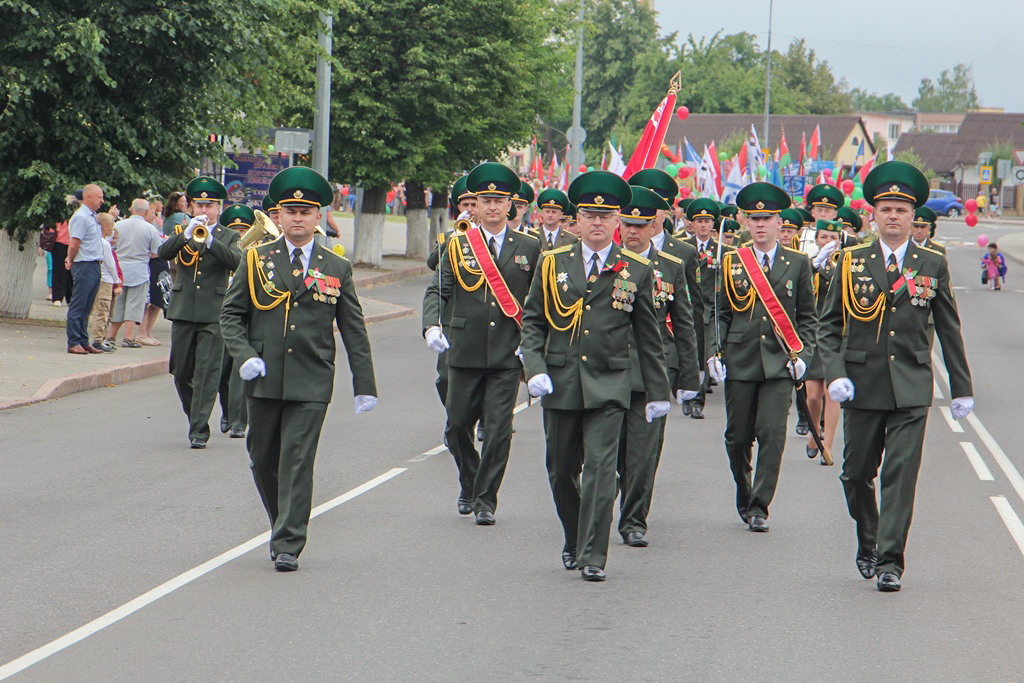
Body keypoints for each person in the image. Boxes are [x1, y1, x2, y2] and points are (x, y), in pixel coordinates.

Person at [819, 160, 973, 592]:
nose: (893, 216)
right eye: (885, 208)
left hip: (910, 388)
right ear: (873, 213)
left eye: (901, 210)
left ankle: (890, 562)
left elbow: (948, 327)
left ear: (913, 218)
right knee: (855, 474)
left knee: (900, 477)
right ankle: (868, 539)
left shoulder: (932, 263)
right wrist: (834, 374)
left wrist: (961, 389)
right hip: (862, 385)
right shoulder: (850, 261)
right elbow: (828, 325)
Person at [221, 166, 377, 572]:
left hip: (312, 379)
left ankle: (289, 540)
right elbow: (231, 316)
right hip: (263, 377)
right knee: (262, 458)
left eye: (305, 211)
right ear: (277, 216)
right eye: (289, 210)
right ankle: (282, 520)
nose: (297, 218)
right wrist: (244, 356)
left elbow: (353, 328)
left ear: (318, 217)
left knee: (297, 459)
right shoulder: (255, 259)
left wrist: (365, 384)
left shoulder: (335, 266)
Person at [521, 171, 670, 581]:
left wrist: (657, 391)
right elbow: (532, 321)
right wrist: (534, 368)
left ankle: (593, 555)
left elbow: (648, 335)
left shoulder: (636, 269)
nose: (598, 222)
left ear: (618, 221)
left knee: (602, 471)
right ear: (578, 219)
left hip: (610, 384)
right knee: (560, 469)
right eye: (589, 214)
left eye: (606, 216)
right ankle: (575, 536)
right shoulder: (552, 263)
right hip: (561, 382)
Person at [422, 163, 541, 522]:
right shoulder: (457, 244)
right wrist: (431, 326)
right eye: (485, 200)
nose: (491, 206)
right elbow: (436, 290)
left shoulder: (530, 247)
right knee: (458, 427)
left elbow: (540, 300)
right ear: (475, 205)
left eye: (499, 200)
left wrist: (534, 344)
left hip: (507, 354)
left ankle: (486, 499)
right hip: (464, 350)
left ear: (511, 205)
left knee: (499, 429)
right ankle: (469, 480)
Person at [710, 182, 816, 532]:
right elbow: (720, 312)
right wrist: (715, 350)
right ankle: (744, 490)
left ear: (779, 222)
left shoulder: (798, 263)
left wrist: (804, 354)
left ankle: (760, 505)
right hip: (740, 360)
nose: (760, 225)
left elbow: (807, 317)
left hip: (779, 362)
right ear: (746, 221)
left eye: (767, 218)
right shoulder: (731, 261)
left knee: (772, 433)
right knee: (737, 437)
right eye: (754, 218)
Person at [616, 185, 699, 547]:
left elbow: (685, 323)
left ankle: (634, 520)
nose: (632, 232)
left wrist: (689, 377)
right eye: (627, 224)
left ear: (654, 227)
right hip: (610, 369)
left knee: (644, 452)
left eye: (641, 225)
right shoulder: (606, 262)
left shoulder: (672, 267)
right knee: (612, 453)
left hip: (653, 372)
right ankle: (607, 503)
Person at [157, 178, 242, 448]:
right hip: (183, 310)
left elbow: (237, 262)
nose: (205, 209)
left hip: (214, 312)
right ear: (191, 207)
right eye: (199, 204)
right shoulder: (183, 229)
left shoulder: (230, 235)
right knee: (180, 371)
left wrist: (211, 242)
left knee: (207, 372)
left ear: (219, 207)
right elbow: (162, 252)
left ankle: (199, 431)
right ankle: (197, 417)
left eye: (210, 205)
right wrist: (185, 235)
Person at [628, 169, 703, 418]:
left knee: (645, 448)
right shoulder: (613, 254)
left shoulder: (681, 254)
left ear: (665, 210)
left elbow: (689, 316)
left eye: (656, 204)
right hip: (615, 362)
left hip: (662, 355)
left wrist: (691, 373)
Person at [681, 197, 731, 419]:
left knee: (706, 353)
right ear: (692, 223)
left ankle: (697, 400)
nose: (703, 225)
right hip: (689, 307)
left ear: (713, 224)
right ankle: (686, 390)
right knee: (689, 351)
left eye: (707, 221)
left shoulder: (724, 250)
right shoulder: (682, 248)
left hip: (713, 309)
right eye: (699, 221)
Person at [218, 204, 257, 438]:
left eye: (245, 230)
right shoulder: (225, 248)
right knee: (222, 370)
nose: (242, 235)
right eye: (237, 231)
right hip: (223, 311)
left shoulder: (261, 249)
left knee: (239, 368)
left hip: (249, 313)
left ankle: (240, 421)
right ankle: (227, 411)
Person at [108, 199, 162, 348]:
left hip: (120, 269)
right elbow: (156, 252)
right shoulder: (150, 229)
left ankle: (111, 336)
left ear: (131, 210)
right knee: (135, 305)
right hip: (139, 270)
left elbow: (111, 246)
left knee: (119, 304)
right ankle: (128, 338)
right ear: (146, 212)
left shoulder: (118, 225)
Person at [66, 184, 107, 355]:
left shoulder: (92, 217)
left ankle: (83, 340)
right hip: (84, 265)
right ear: (88, 197)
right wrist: (70, 258)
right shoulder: (81, 217)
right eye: (99, 197)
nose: (102, 201)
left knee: (87, 306)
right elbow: (75, 243)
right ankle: (74, 341)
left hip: (94, 265)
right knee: (79, 305)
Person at [88, 213, 123, 352]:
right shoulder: (104, 243)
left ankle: (100, 338)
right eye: (112, 227)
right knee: (103, 310)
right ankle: (98, 339)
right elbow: (111, 264)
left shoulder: (94, 240)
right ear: (105, 226)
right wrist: (117, 280)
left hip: (98, 278)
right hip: (106, 280)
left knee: (101, 310)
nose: (112, 230)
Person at [52, 192, 80, 307]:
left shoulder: (80, 214)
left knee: (71, 272)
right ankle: (57, 297)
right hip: (60, 243)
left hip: (73, 243)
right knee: (59, 270)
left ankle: (70, 297)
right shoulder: (61, 212)